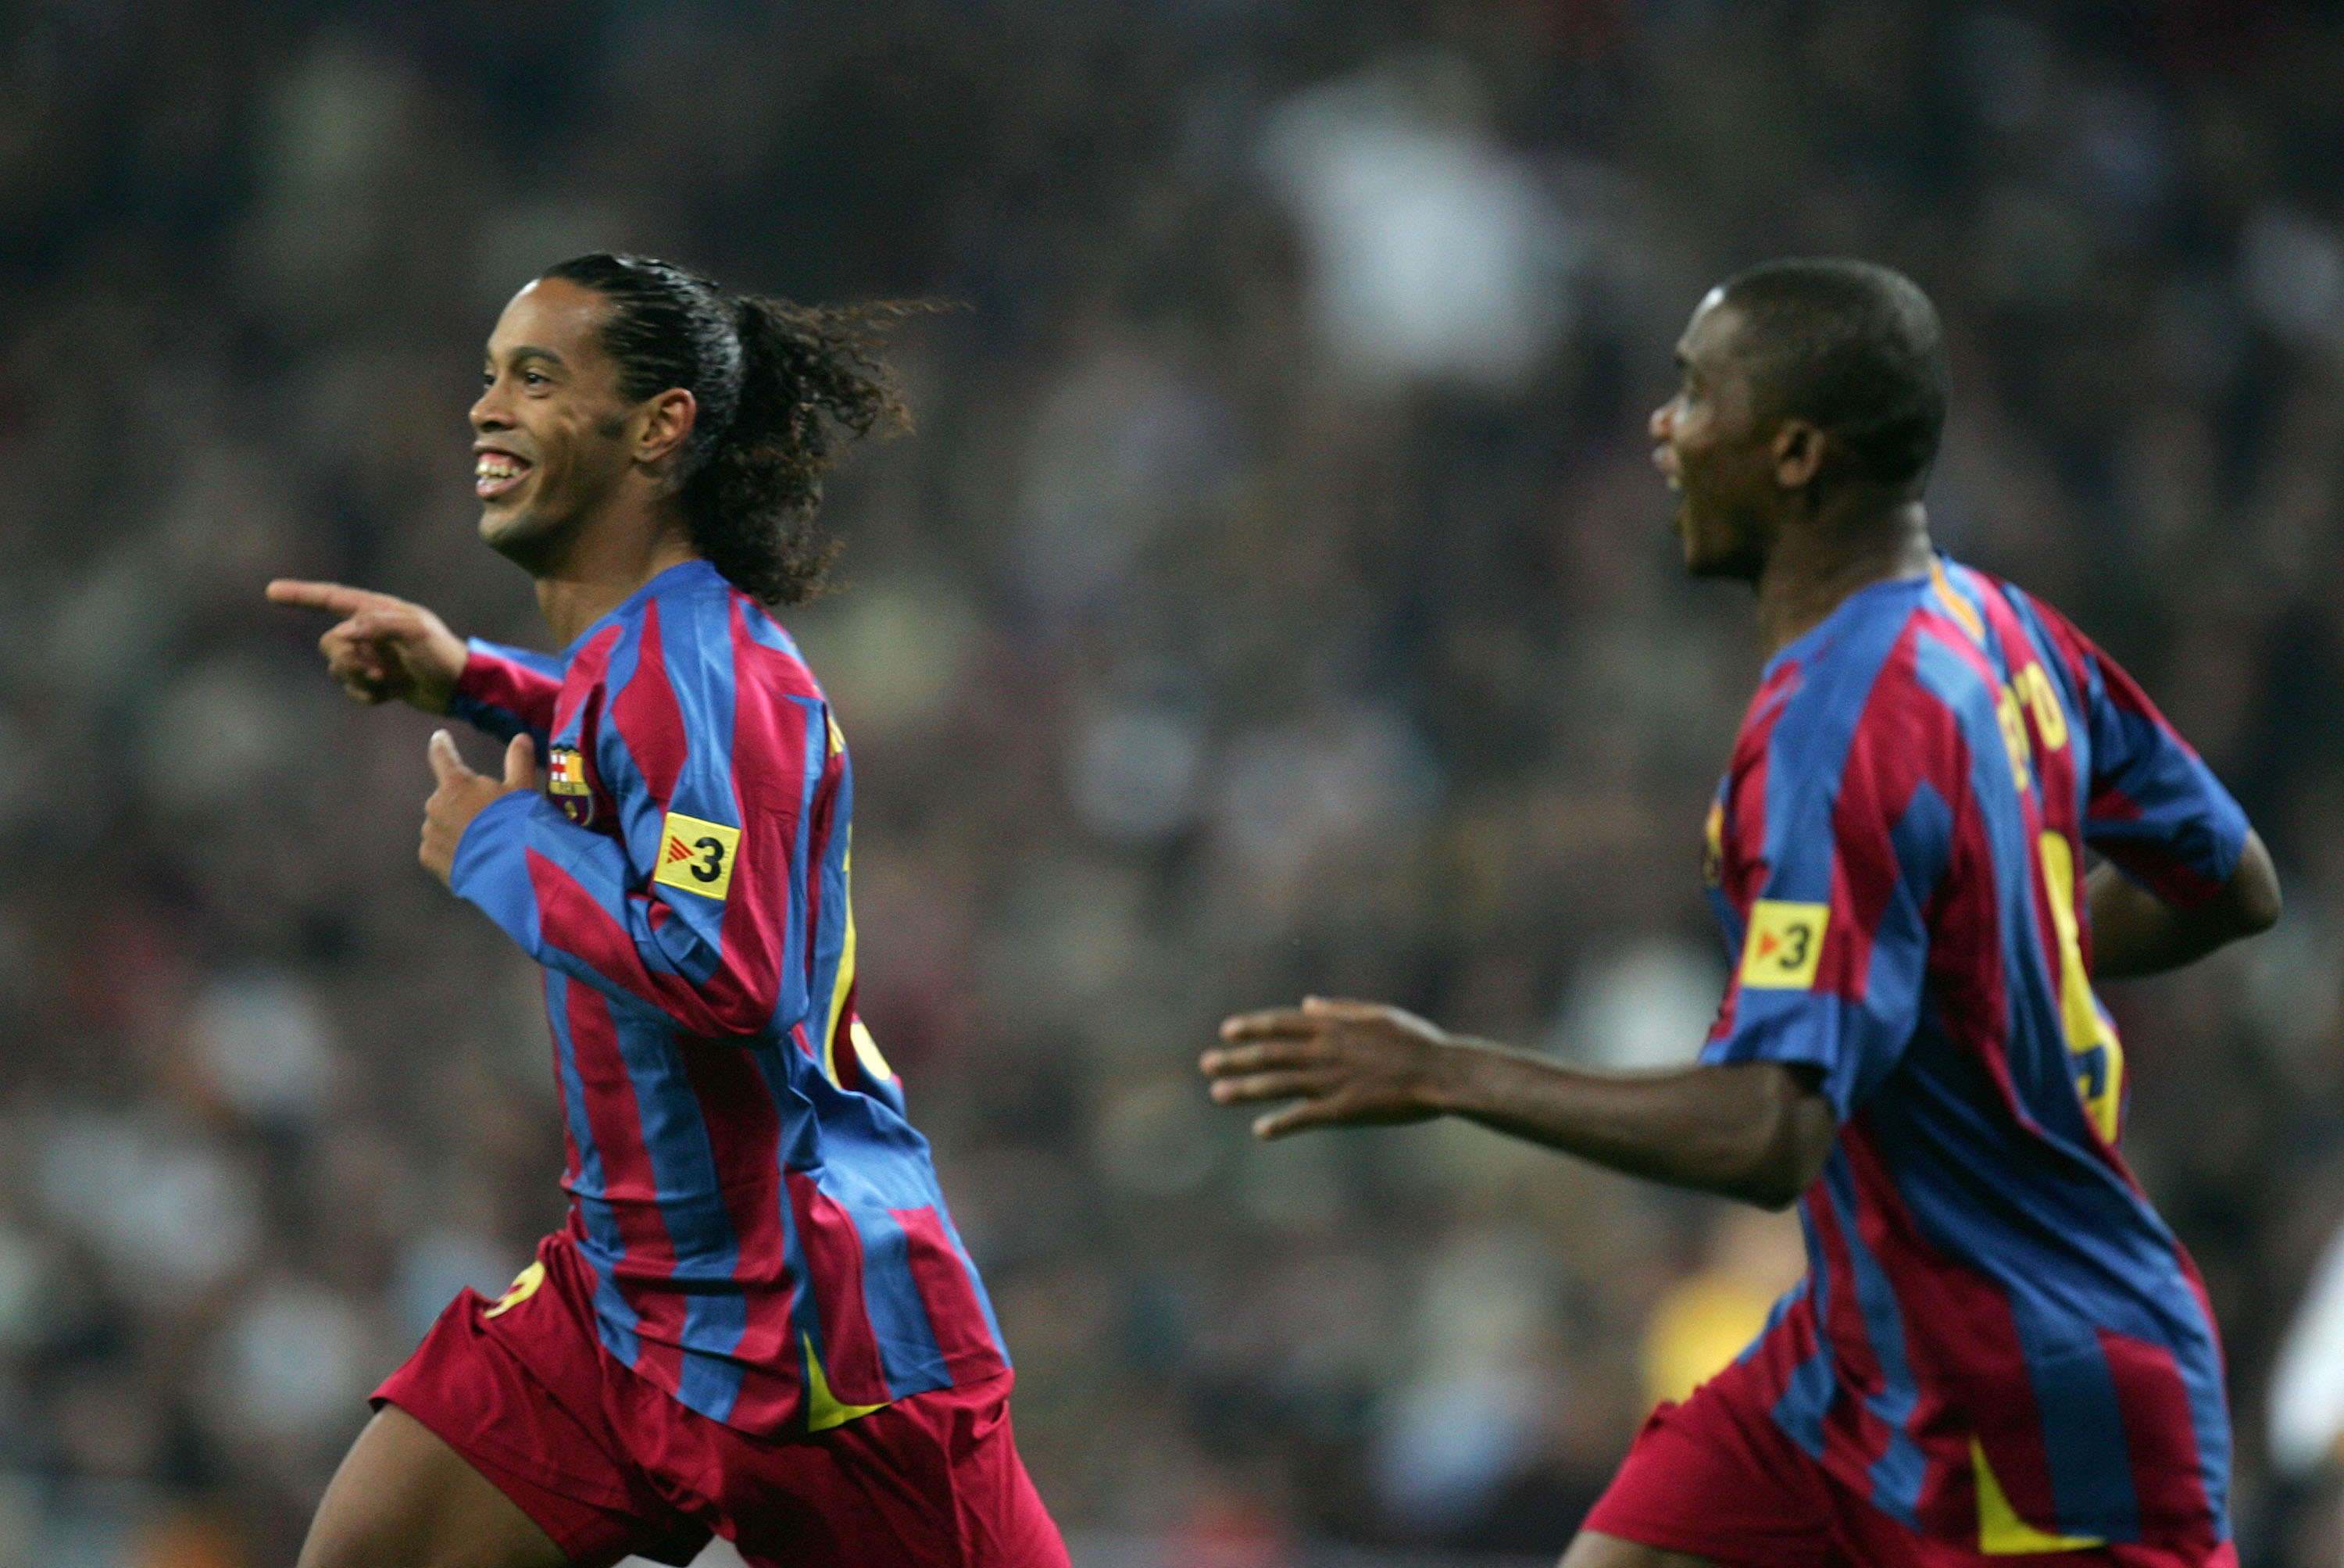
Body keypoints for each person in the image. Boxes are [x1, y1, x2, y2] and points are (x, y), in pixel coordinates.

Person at [1200, 259, 2281, 1568]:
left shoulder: (1839, 726)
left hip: (2030, 1395)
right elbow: (2227, 881)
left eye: (1693, 393)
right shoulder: (2002, 627)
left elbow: (1769, 1132)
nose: (1661, 429)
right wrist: (1987, 975)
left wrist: (1443, 1071)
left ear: (1794, 455)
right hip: (1852, 1355)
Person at [270, 254, 1068, 1568]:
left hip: (816, 1345)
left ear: (660, 426)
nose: (484, 409)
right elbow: (621, 746)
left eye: (535, 378)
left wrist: (501, 842)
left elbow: (725, 967)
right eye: (486, 378)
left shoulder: (709, 671)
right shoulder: (634, 660)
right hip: (625, 1300)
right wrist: (474, 679)